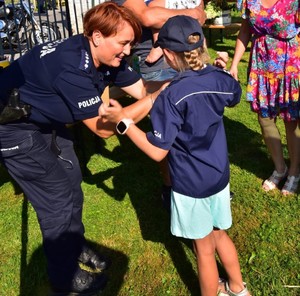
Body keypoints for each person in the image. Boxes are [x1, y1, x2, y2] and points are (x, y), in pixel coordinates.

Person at [0, 2, 166, 295]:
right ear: (97, 36)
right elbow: (103, 129)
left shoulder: (108, 57)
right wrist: (153, 102)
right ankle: (65, 280)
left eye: (130, 44)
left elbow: (141, 91)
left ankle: (72, 244)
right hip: (12, 126)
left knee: (72, 181)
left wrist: (174, 93)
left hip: (45, 121)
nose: (128, 52)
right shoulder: (72, 68)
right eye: (123, 43)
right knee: (56, 197)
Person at [99, 15, 251, 296]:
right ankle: (239, 288)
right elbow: (235, 94)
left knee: (204, 250)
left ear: (167, 54)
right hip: (219, 177)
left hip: (191, 186)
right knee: (220, 235)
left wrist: (125, 123)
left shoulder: (171, 96)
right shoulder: (218, 79)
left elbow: (158, 151)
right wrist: (220, 68)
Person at [230, 0, 300, 195]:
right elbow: (244, 31)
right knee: (264, 117)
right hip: (261, 63)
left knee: (291, 119)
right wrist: (235, 63)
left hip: (290, 62)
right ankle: (280, 168)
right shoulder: (248, 1)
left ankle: (295, 171)